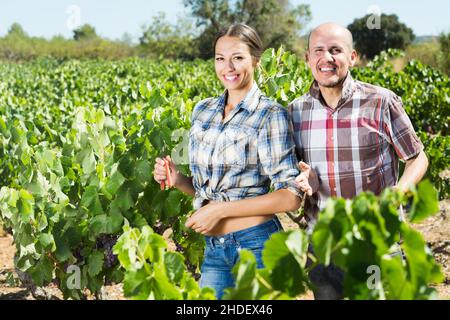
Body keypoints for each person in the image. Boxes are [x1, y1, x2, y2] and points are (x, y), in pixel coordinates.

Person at [153, 23, 303, 299]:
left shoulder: (270, 115)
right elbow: (205, 191)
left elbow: (291, 197)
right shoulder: (203, 111)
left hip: (257, 245)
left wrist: (221, 211)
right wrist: (177, 179)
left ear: (256, 60)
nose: (228, 67)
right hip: (215, 248)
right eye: (220, 58)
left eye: (238, 57)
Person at [289, 22, 429, 300]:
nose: (326, 58)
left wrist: (396, 195)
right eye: (318, 50)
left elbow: (417, 158)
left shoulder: (381, 101)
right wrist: (306, 178)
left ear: (352, 57)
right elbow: (301, 171)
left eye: (336, 50)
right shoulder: (296, 111)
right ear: (307, 58)